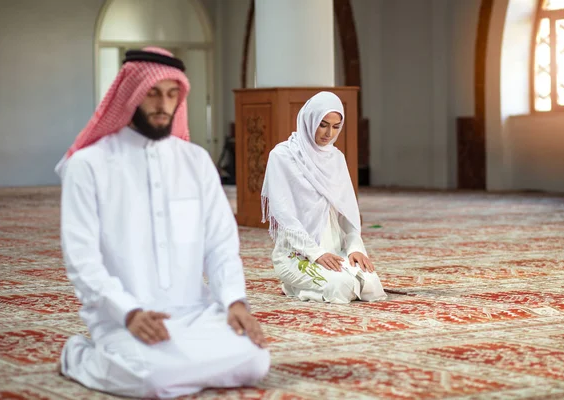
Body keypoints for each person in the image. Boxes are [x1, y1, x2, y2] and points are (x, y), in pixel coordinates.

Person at [55, 47, 270, 399]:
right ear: (131, 96)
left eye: (172, 95)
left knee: (255, 361)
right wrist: (128, 312)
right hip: (124, 317)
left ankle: (177, 364)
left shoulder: (196, 161)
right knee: (151, 380)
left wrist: (234, 301)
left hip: (194, 314)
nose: (162, 105)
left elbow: (220, 244)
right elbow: (82, 260)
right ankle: (79, 355)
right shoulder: (89, 166)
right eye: (152, 93)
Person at [261, 91, 387, 304]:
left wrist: (355, 248)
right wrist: (317, 253)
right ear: (309, 120)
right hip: (297, 255)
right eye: (323, 124)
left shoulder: (336, 158)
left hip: (335, 251)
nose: (329, 133)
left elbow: (347, 212)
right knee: (342, 287)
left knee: (371, 285)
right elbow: (284, 215)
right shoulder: (282, 156)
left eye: (336, 127)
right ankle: (293, 286)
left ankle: (315, 283)